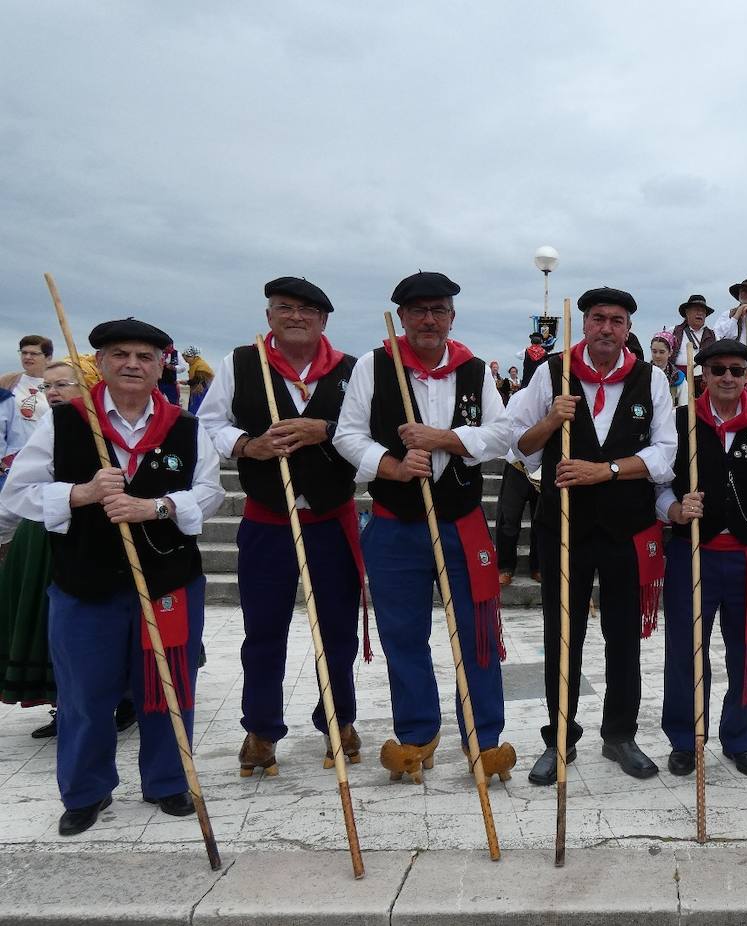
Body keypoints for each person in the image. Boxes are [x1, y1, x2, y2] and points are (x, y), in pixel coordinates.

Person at [0, 318, 224, 835]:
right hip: (86, 584)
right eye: (119, 354)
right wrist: (79, 493)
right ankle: (86, 792)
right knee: (84, 695)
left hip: (168, 583)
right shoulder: (65, 422)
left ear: (160, 366)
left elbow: (208, 493)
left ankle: (169, 782)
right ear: (98, 363)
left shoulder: (186, 427)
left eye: (145, 357)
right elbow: (16, 494)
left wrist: (157, 506)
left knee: (168, 689)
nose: (132, 364)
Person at [335, 271, 517, 784]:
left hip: (461, 522)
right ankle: (417, 735)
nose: (428, 320)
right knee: (403, 635)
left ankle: (484, 739)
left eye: (438, 310)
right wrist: (390, 465)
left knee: (477, 634)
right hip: (395, 524)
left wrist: (443, 438)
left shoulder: (475, 370)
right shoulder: (375, 365)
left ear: (452, 317)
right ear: (404, 317)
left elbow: (501, 434)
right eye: (418, 311)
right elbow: (347, 435)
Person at [197, 276, 368, 777]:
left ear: (323, 321)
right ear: (269, 315)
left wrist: (327, 431)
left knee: (337, 631)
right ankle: (261, 729)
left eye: (306, 310)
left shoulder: (351, 371)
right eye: (284, 307)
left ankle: (339, 722)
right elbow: (209, 422)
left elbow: (368, 431)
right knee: (263, 630)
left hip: (331, 519)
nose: (295, 316)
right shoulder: (241, 362)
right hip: (268, 519)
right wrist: (247, 445)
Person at [507, 286, 676, 784]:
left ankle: (619, 734)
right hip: (564, 527)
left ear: (628, 330)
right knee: (563, 635)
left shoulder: (653, 379)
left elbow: (664, 454)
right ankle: (560, 737)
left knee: (623, 635)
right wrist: (549, 420)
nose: (607, 327)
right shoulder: (552, 373)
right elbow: (520, 447)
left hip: (626, 528)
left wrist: (606, 470)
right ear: (584, 323)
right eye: (598, 318)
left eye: (617, 320)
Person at [658, 338, 747, 778]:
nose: (728, 378)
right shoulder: (679, 423)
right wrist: (675, 509)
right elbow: (658, 482)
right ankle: (684, 738)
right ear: (704, 375)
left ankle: (740, 738)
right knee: (685, 652)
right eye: (718, 371)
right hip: (692, 553)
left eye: (736, 370)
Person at [0, 363, 85, 732]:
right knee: (46, 623)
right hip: (43, 534)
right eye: (47, 386)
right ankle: (63, 704)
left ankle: (123, 699)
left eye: (63, 384)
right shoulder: (48, 425)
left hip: (92, 533)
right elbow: (19, 486)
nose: (53, 392)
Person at [2, 336, 54, 459]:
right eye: (24, 353)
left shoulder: (54, 385)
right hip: (9, 457)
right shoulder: (7, 381)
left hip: (43, 454)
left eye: (34, 354)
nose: (27, 357)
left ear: (48, 358)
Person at [494, 449, 540, 586]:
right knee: (508, 517)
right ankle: (505, 567)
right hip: (517, 463)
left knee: (542, 518)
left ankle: (539, 565)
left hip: (544, 464)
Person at [670, 294, 717, 375]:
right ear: (687, 312)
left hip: (704, 379)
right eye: (696, 310)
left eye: (703, 311)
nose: (700, 313)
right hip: (678, 379)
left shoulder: (714, 335)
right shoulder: (673, 332)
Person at [650, 330, 688, 406]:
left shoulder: (678, 377)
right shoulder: (643, 373)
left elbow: (684, 405)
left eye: (662, 352)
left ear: (670, 352)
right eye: (654, 351)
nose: (657, 356)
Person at [184, 347, 215, 415]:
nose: (185, 359)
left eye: (187, 357)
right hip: (197, 389)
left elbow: (198, 379)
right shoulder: (194, 364)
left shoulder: (200, 365)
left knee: (197, 408)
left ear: (193, 357)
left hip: (200, 390)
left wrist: (187, 382)